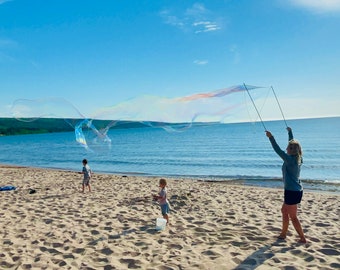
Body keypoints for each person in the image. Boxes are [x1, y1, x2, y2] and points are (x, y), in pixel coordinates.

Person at [266, 127, 307, 243]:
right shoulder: (298, 158)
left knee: (293, 217)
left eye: (288, 147)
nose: (286, 148)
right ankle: (283, 234)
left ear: (291, 150)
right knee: (284, 211)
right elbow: (292, 144)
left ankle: (303, 238)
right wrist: (290, 132)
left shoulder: (290, 160)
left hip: (292, 192)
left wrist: (271, 138)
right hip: (294, 190)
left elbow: (277, 150)